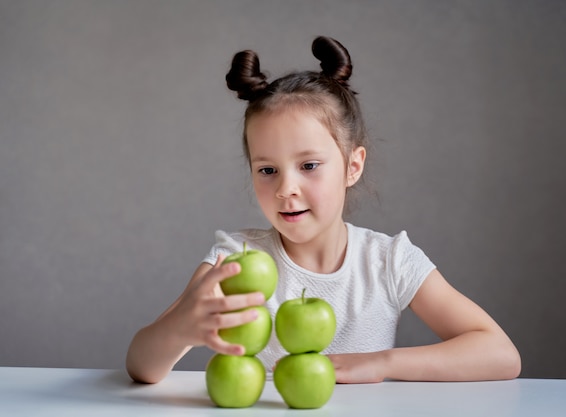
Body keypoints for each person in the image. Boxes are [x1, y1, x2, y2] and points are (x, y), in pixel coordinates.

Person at [126, 36, 521, 385]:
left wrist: (380, 363)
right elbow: (142, 366)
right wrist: (179, 330)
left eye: (309, 166)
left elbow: (501, 355)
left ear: (352, 166)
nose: (286, 189)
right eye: (267, 170)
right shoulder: (235, 260)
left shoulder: (388, 261)